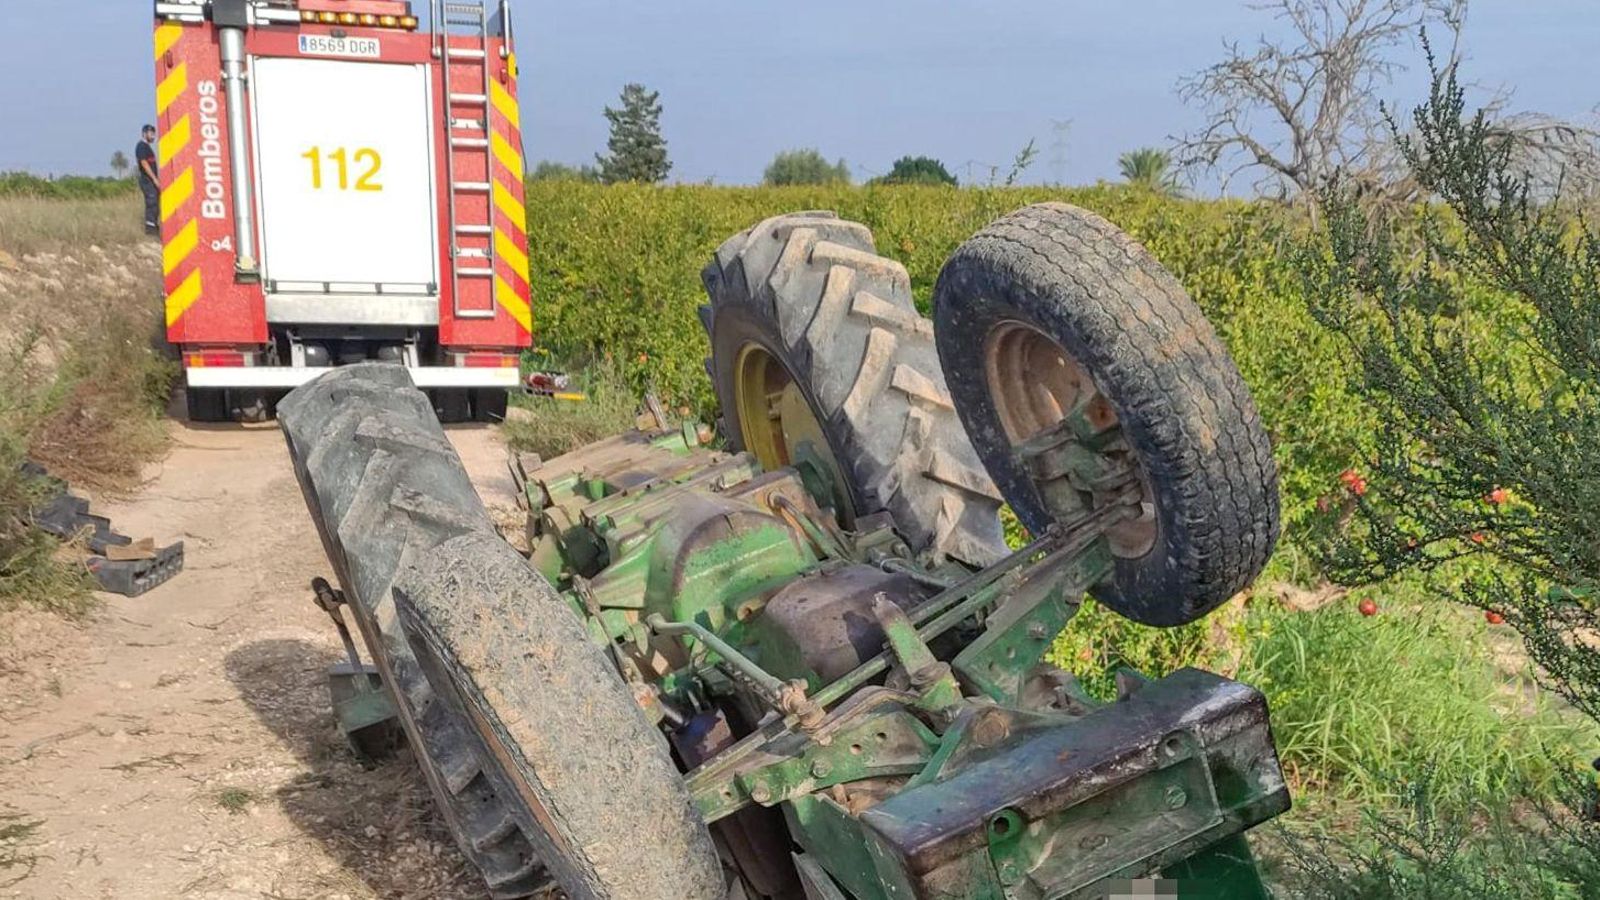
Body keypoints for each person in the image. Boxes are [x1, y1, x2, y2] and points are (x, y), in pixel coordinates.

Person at [136, 125, 159, 236]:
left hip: (152, 181)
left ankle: (154, 226)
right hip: (147, 181)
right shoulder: (141, 146)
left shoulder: (148, 147)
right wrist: (154, 179)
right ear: (144, 133)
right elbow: (144, 163)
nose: (153, 136)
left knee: (155, 205)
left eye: (154, 133)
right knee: (151, 204)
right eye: (151, 133)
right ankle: (150, 231)